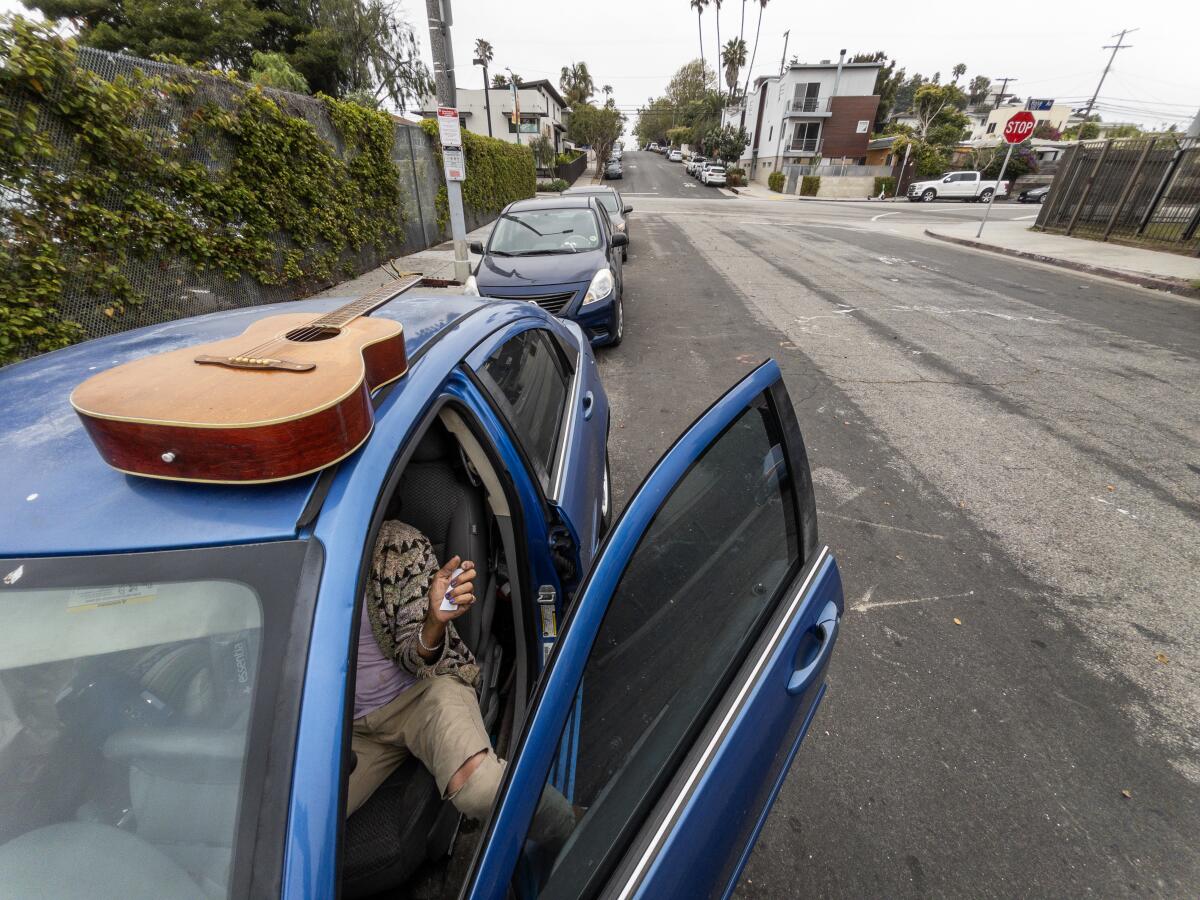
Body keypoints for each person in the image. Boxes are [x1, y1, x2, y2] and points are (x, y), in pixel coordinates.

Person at [348, 520, 573, 845]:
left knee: (479, 789)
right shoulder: (288, 557)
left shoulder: (396, 545)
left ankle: (573, 830)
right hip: (345, 726)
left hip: (421, 693)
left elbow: (415, 654)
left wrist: (433, 623)